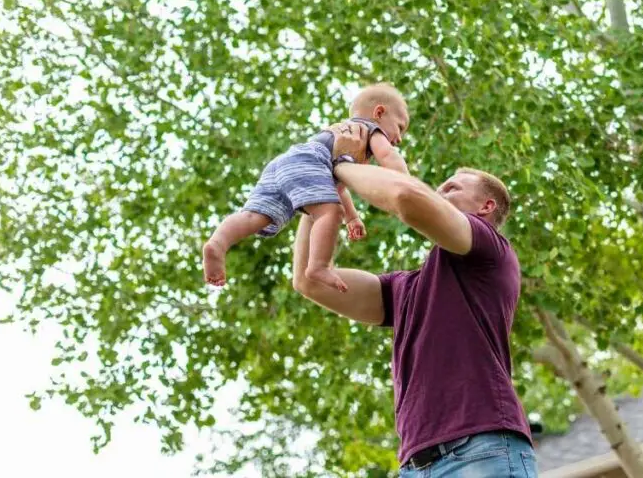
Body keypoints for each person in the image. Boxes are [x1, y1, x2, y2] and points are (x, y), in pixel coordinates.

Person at [291, 121, 537, 477]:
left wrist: (339, 162)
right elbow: (309, 281)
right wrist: (320, 186)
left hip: (481, 450)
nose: (440, 191)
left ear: (486, 207)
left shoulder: (489, 249)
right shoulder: (404, 288)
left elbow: (407, 198)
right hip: (415, 465)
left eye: (452, 187)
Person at [202, 83, 410, 289]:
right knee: (330, 213)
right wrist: (407, 183)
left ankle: (218, 243)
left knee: (255, 217)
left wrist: (352, 217)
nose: (399, 138)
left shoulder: (338, 131)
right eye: (400, 127)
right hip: (310, 161)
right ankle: (318, 266)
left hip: (285, 163)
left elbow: (336, 187)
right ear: (379, 112)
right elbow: (387, 155)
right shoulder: (369, 129)